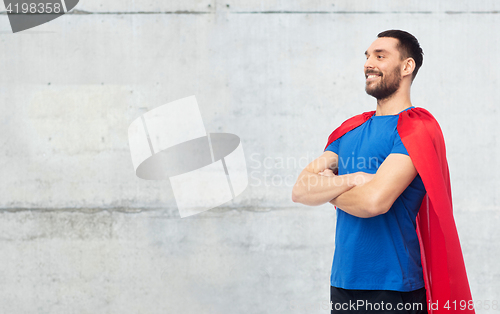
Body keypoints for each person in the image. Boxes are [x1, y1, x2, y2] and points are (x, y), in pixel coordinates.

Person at [291, 30, 474, 314]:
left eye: (380, 56)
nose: (368, 63)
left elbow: (374, 202)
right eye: (367, 56)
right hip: (343, 281)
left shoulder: (416, 129)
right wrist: (354, 180)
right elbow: (300, 190)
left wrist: (328, 190)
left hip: (394, 286)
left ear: (406, 67)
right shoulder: (350, 129)